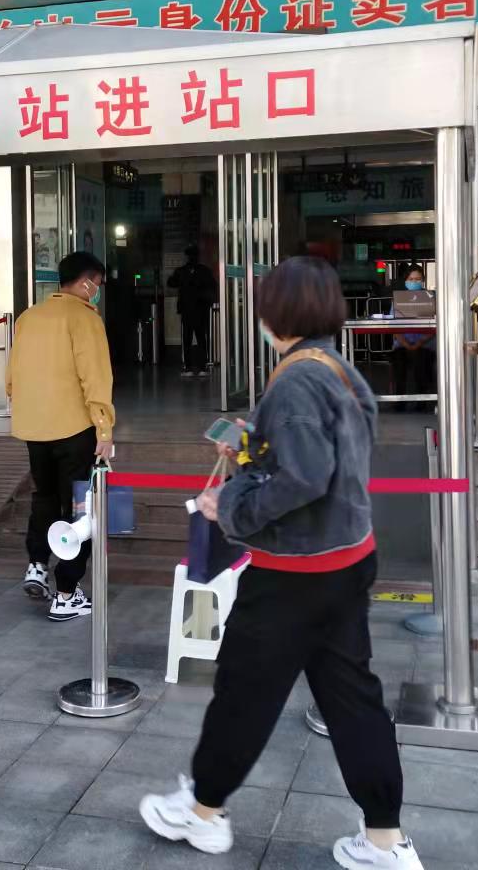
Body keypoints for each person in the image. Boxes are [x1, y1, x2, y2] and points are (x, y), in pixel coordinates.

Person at [140, 257, 422, 870]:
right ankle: (385, 840)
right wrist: (251, 443)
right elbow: (319, 458)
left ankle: (203, 813)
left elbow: (305, 476)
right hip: (347, 560)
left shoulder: (295, 382)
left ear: (277, 313)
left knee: (244, 693)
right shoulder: (340, 369)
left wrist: (230, 507)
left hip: (294, 573)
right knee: (353, 700)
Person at [6, 251, 114, 622]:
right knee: (81, 509)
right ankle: (67, 591)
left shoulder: (29, 317)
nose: (97, 290)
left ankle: (37, 564)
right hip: (75, 429)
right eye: (97, 284)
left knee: (45, 496)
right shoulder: (84, 318)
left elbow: (12, 377)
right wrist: (104, 427)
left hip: (34, 429)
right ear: (85, 282)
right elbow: (95, 376)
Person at [390, 264, 435, 413]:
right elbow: (393, 326)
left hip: (425, 344)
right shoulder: (398, 300)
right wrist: (406, 344)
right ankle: (399, 401)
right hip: (402, 345)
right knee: (399, 362)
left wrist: (419, 342)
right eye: (411, 279)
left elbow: (436, 325)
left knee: (421, 362)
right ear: (405, 281)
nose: (414, 282)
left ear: (423, 280)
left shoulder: (430, 298)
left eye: (417, 279)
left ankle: (422, 401)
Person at [168, 245, 215, 377]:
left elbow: (171, 282)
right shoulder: (204, 271)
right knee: (201, 339)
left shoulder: (181, 271)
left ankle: (188, 367)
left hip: (187, 310)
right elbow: (212, 286)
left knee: (187, 339)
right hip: (200, 310)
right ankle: (202, 367)